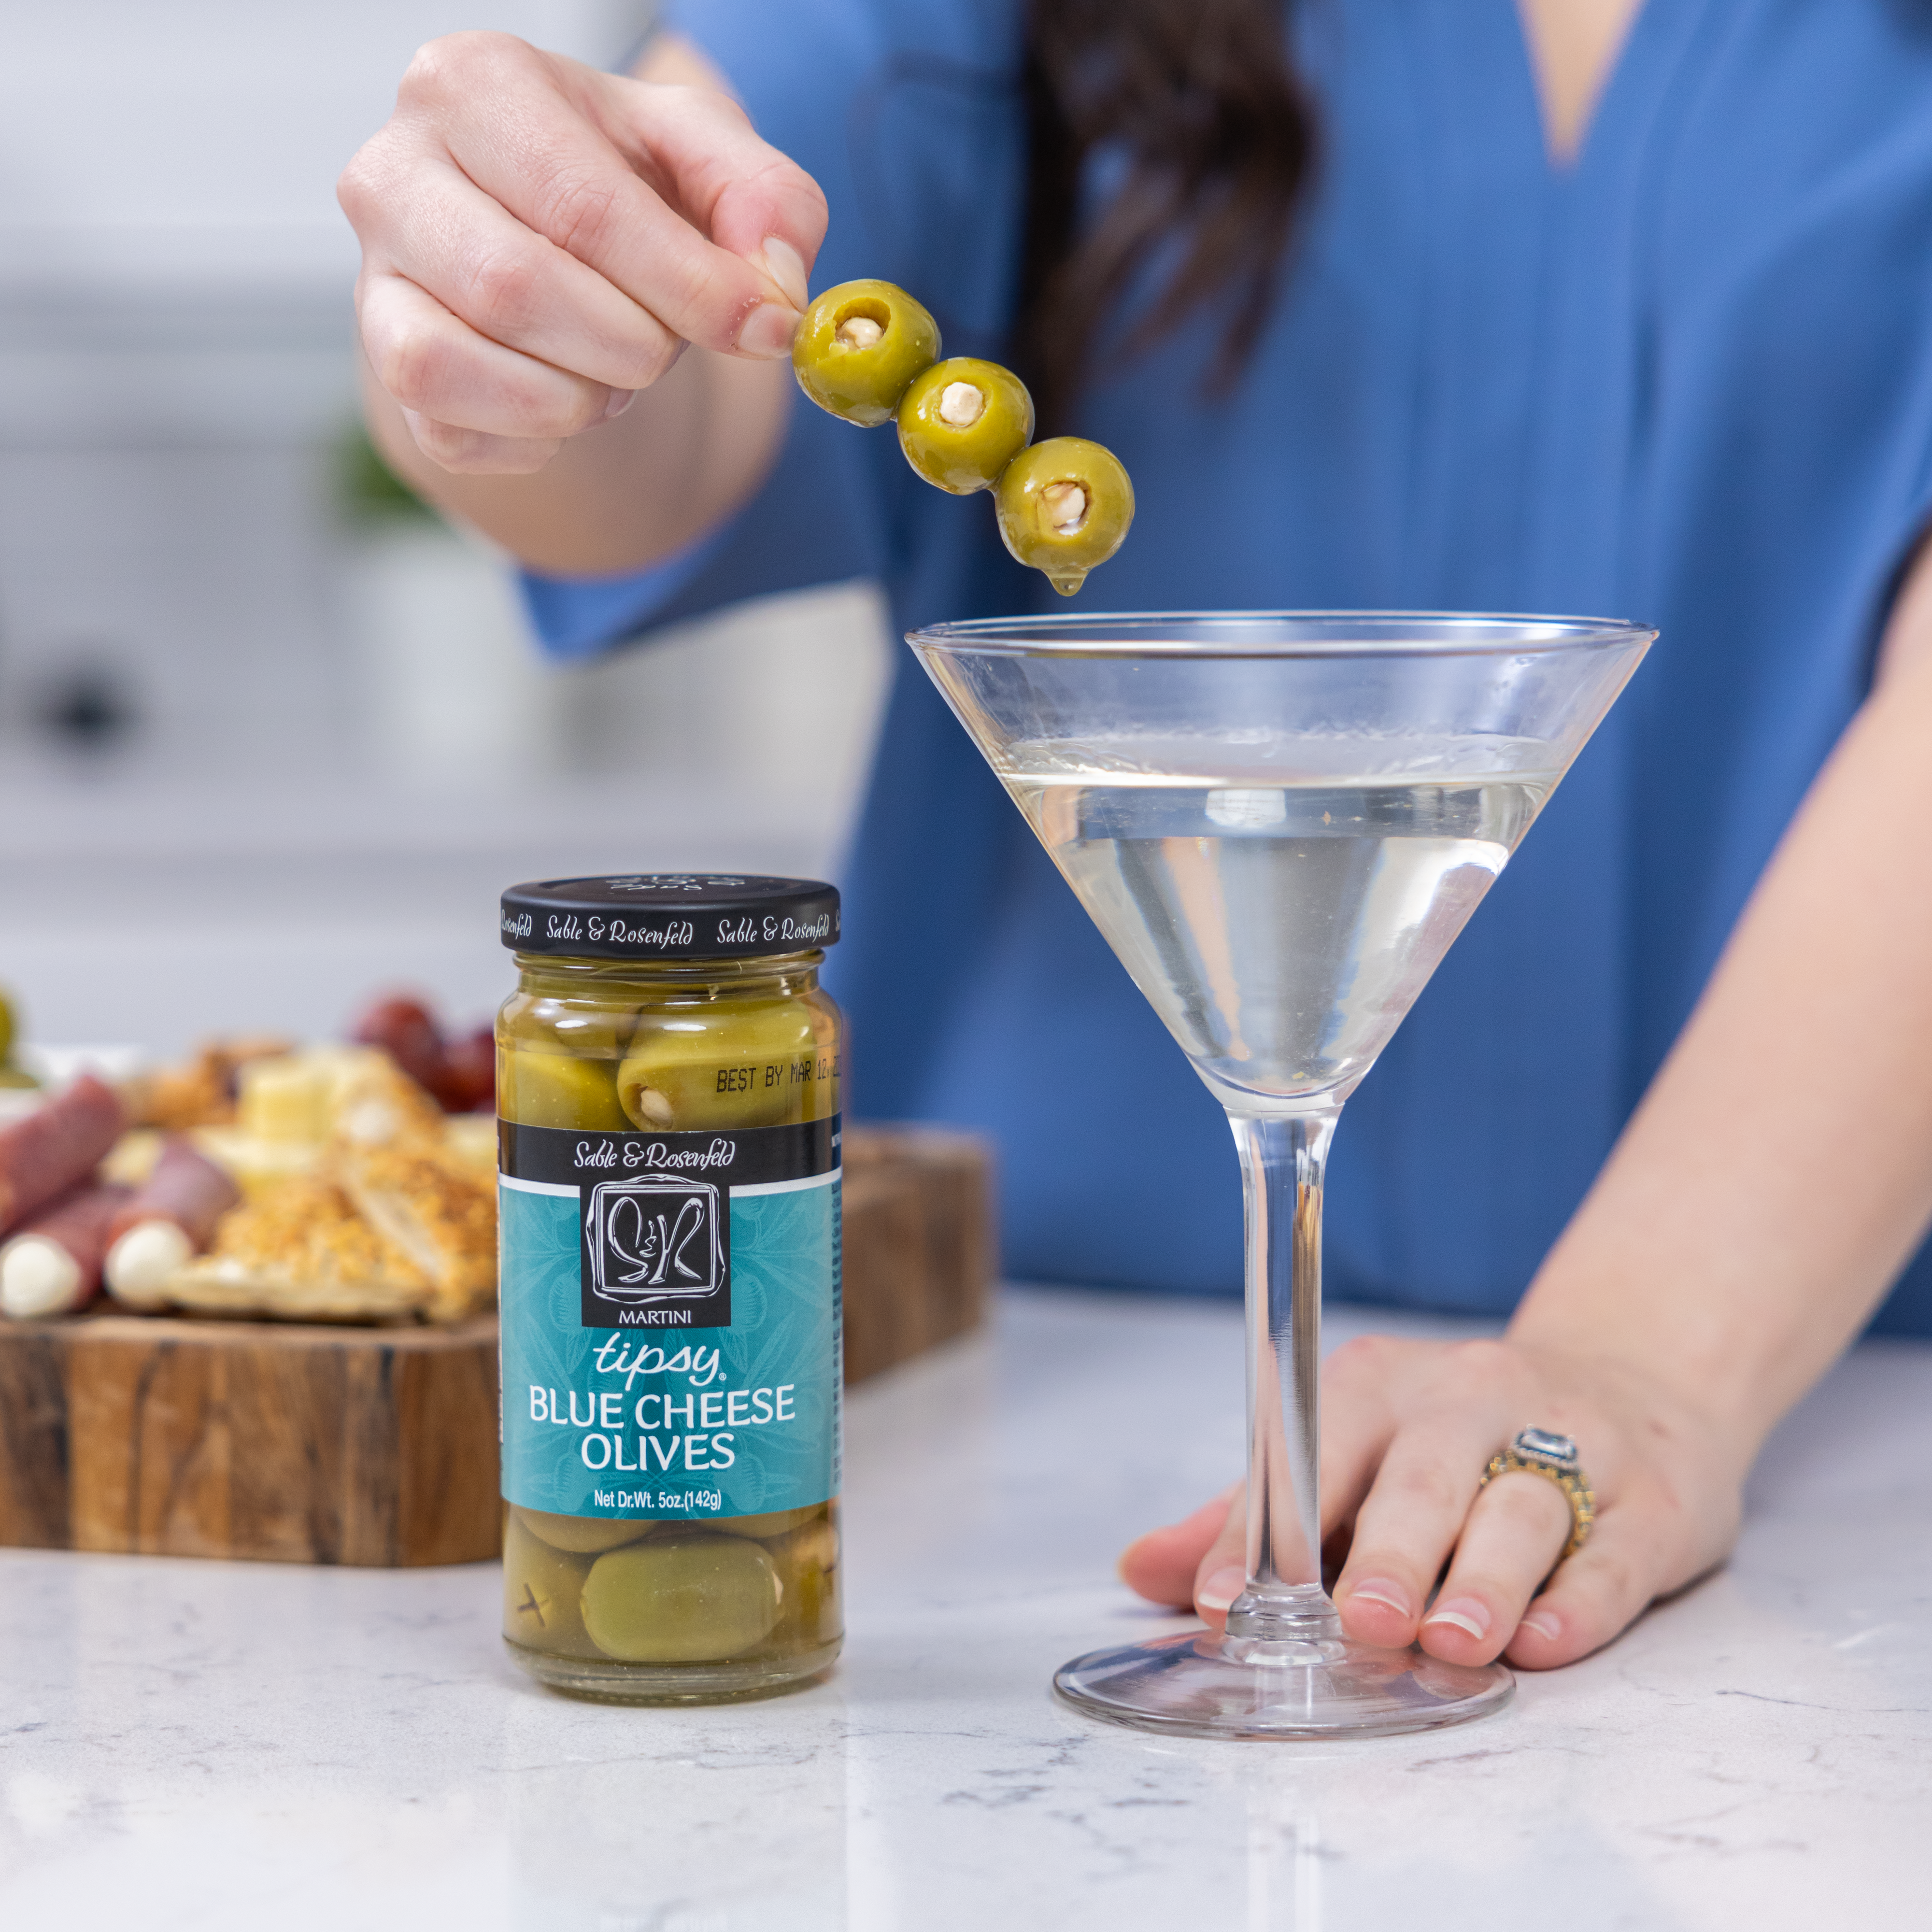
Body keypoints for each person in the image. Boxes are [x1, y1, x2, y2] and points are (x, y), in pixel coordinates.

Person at [339, 0, 1932, 1673]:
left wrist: (1645, 1364)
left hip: (1833, 1470)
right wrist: (508, 296)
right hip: (994, 1424)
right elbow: (652, 416)